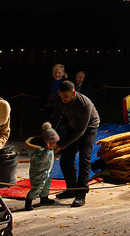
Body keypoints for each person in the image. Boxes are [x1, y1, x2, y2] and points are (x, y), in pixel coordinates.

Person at [51, 79, 100, 208]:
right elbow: (55, 117)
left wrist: (61, 145)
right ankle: (71, 189)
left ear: (73, 93)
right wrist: (48, 135)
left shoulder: (84, 104)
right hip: (73, 126)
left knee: (84, 159)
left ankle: (81, 193)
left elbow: (80, 131)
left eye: (66, 97)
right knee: (65, 160)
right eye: (61, 96)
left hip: (89, 128)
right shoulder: (60, 99)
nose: (64, 99)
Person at [24, 122, 59, 209]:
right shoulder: (40, 152)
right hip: (38, 174)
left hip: (46, 173)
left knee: (46, 185)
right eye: (54, 142)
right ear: (48, 142)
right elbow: (42, 160)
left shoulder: (50, 150)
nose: (55, 144)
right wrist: (46, 151)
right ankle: (28, 201)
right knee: (37, 188)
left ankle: (44, 198)